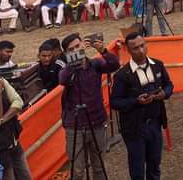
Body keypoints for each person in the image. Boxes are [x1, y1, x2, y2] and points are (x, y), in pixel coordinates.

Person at [110, 32, 174, 180]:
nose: (140, 50)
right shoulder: (122, 75)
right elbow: (115, 102)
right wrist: (135, 101)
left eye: (142, 45)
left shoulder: (158, 65)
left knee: (154, 166)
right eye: (135, 48)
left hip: (155, 124)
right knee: (137, 170)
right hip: (134, 128)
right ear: (128, 50)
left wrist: (164, 93)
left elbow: (169, 84)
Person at [59, 32, 119, 180]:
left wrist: (103, 50)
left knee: (99, 166)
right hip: (75, 125)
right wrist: (75, 59)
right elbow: (63, 79)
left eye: (78, 46)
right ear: (66, 53)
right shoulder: (67, 70)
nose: (77, 50)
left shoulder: (94, 64)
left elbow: (114, 65)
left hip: (97, 121)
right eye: (72, 49)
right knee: (77, 170)